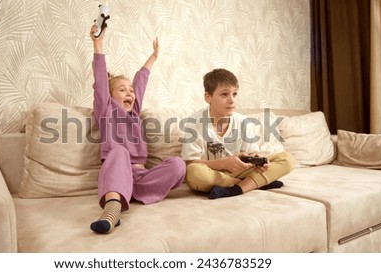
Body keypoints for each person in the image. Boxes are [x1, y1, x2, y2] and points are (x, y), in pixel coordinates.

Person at [89, 24, 185, 234]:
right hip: (117, 172)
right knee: (120, 151)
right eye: (122, 90)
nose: (129, 93)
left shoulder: (135, 112)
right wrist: (98, 44)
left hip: (140, 178)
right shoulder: (105, 109)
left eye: (130, 91)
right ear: (110, 95)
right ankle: (112, 212)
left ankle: (131, 193)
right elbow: (100, 84)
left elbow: (140, 81)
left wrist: (154, 56)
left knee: (178, 164)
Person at [181, 68, 294, 199]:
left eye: (234, 94)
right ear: (208, 97)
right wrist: (223, 163)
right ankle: (254, 183)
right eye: (224, 94)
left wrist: (257, 162)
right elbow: (190, 164)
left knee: (287, 159)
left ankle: (236, 189)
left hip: (240, 172)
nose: (232, 100)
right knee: (194, 172)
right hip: (212, 174)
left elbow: (251, 154)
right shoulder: (193, 123)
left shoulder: (243, 121)